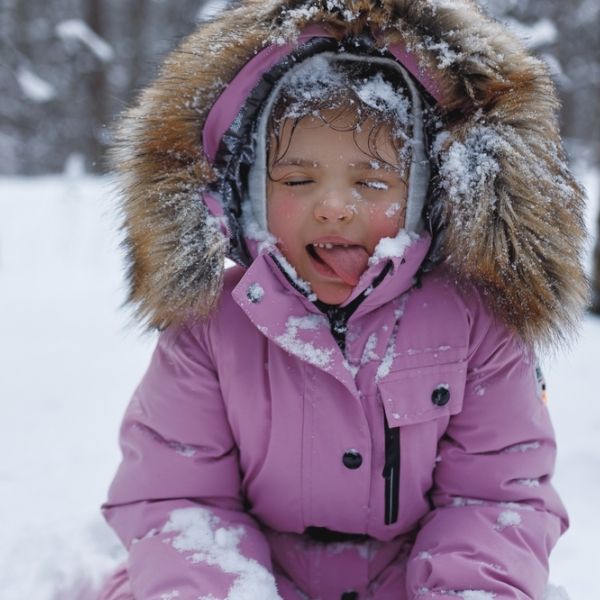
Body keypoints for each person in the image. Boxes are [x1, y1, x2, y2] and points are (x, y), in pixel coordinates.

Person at [98, 0, 588, 598]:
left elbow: (492, 498)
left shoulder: (476, 325)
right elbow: (178, 498)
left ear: (426, 199)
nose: (333, 206)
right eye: (299, 181)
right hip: (250, 577)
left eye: (372, 182)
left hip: (411, 579)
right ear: (249, 194)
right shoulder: (210, 325)